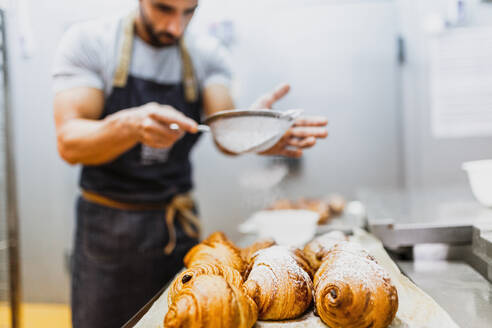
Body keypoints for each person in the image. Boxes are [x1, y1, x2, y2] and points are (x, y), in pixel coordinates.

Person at [52, 0, 328, 327]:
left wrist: (254, 131)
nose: (176, 27)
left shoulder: (207, 54)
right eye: (163, 9)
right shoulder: (91, 43)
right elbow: (70, 142)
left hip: (178, 224)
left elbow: (224, 134)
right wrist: (128, 127)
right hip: (108, 229)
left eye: (189, 12)